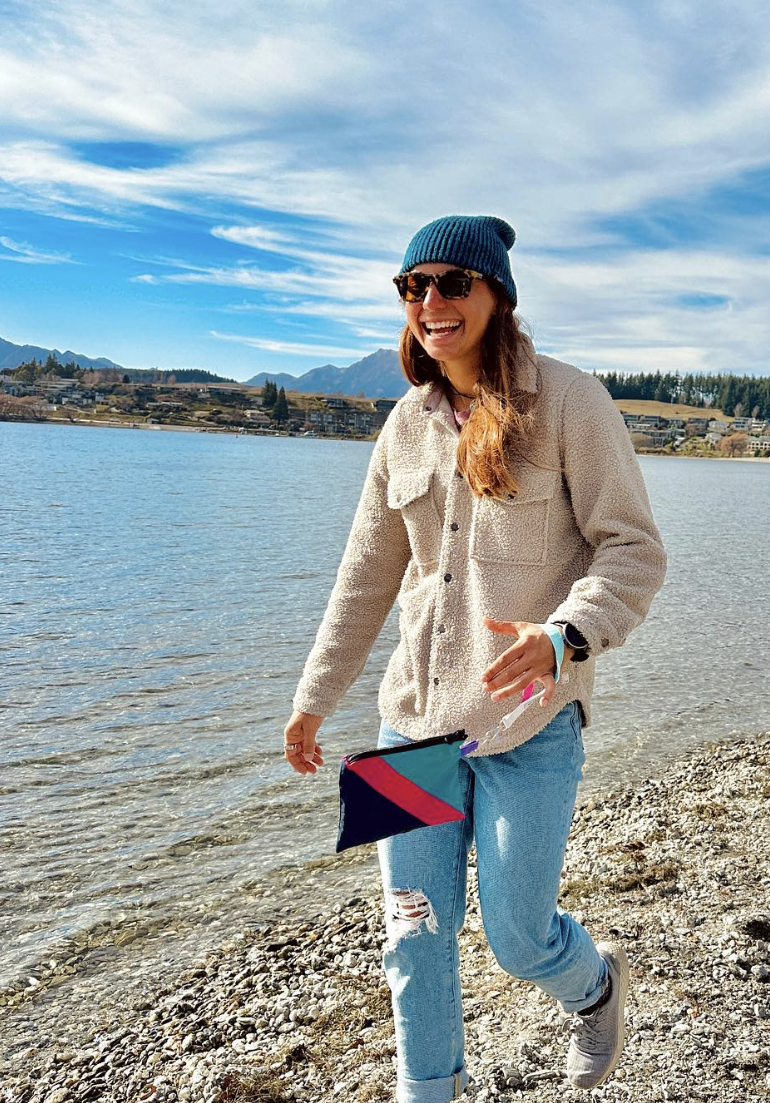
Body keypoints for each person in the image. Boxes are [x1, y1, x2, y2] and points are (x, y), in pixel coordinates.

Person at [283, 215, 667, 1102]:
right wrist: (312, 700)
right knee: (411, 934)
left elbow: (634, 552)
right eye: (413, 286)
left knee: (517, 938)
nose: (430, 302)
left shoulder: (571, 402)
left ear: (498, 296)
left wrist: (563, 637)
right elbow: (365, 578)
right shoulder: (403, 426)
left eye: (453, 283)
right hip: (408, 723)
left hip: (528, 722)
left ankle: (595, 986)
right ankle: (429, 1089)